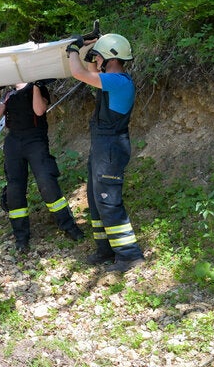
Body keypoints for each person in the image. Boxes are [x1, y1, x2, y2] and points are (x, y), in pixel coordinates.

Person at [67, 33, 145, 273]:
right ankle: (105, 250)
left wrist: (73, 48)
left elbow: (80, 74)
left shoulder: (119, 81)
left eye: (99, 57)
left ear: (110, 58)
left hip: (111, 148)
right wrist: (91, 51)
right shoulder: (109, 78)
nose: (96, 60)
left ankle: (130, 256)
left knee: (108, 202)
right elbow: (91, 74)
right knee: (95, 199)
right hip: (102, 147)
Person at [0, 81, 84, 253]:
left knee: (47, 182)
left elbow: (39, 111)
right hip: (14, 143)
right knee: (14, 190)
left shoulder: (37, 88)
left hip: (35, 140)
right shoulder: (9, 95)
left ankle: (69, 227)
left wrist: (36, 87)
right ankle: (21, 238)